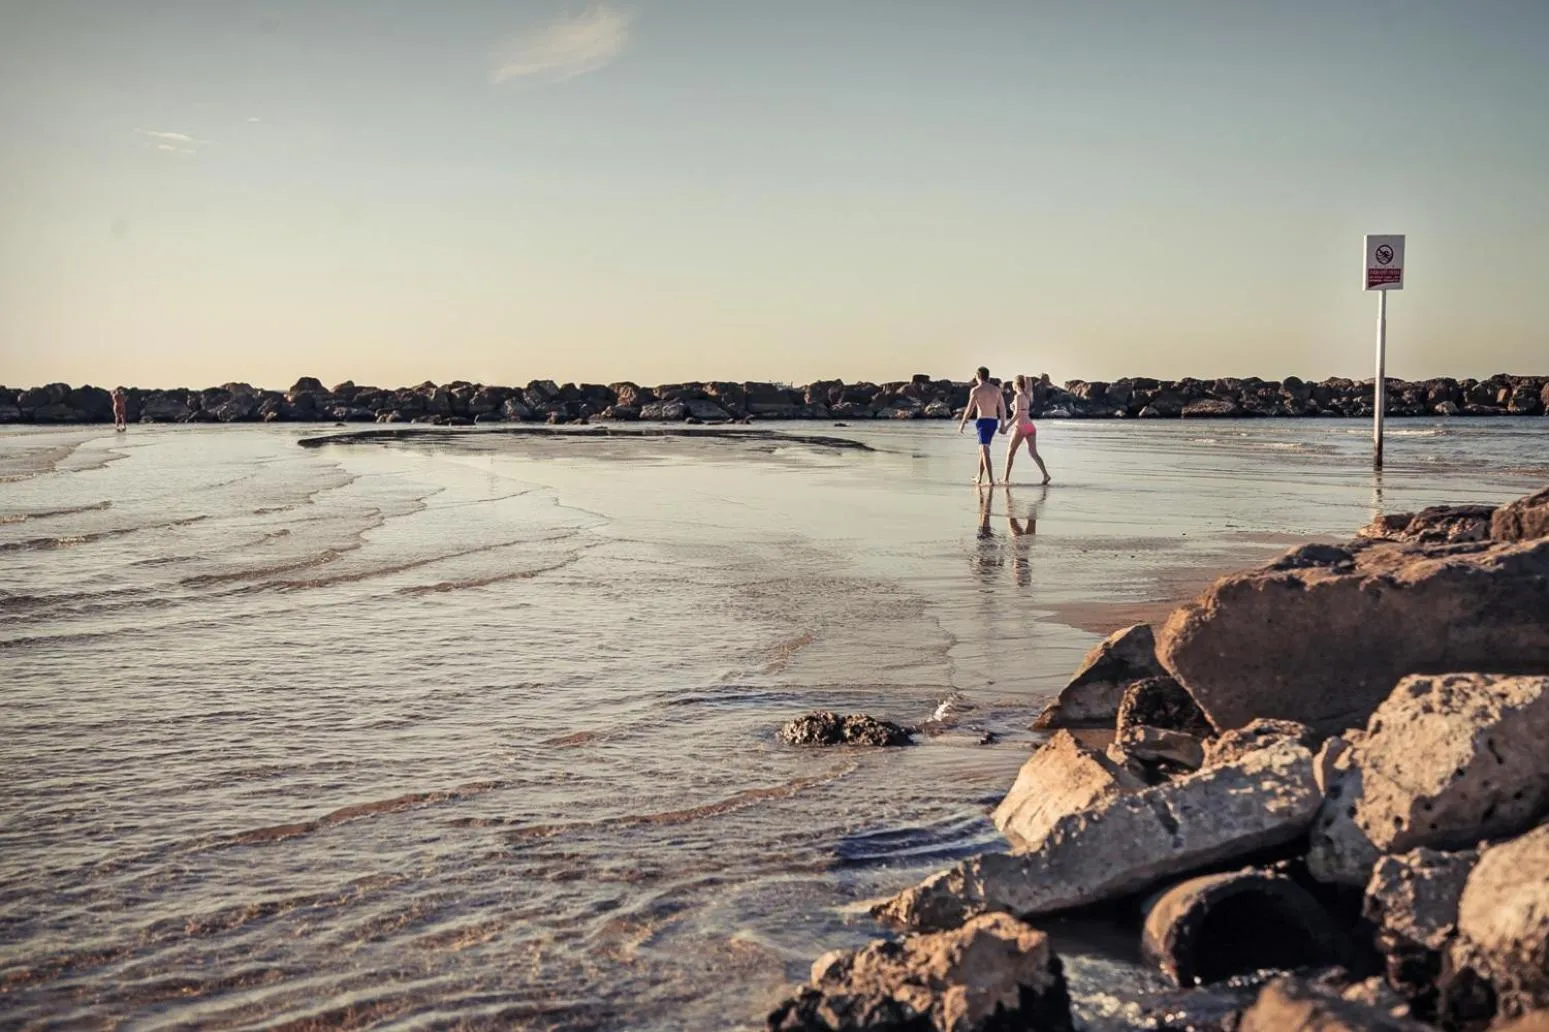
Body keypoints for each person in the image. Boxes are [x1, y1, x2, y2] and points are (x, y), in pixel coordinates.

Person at [956, 367, 1006, 485]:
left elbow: (970, 408)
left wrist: (963, 423)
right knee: (983, 450)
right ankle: (979, 477)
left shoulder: (976, 390)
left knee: (984, 449)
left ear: (977, 376)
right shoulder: (996, 390)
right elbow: (1003, 409)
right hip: (993, 422)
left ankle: (990, 480)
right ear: (988, 377)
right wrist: (1002, 424)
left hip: (982, 422)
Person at [1003, 374, 1051, 485]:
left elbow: (1017, 414)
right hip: (1030, 426)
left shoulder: (1018, 396)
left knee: (1010, 452)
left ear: (1016, 384)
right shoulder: (1027, 395)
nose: (1012, 385)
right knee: (1034, 453)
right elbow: (1022, 409)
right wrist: (1013, 406)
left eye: (1013, 383)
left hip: (1021, 426)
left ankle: (1005, 479)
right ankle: (1045, 475)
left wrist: (1006, 426)